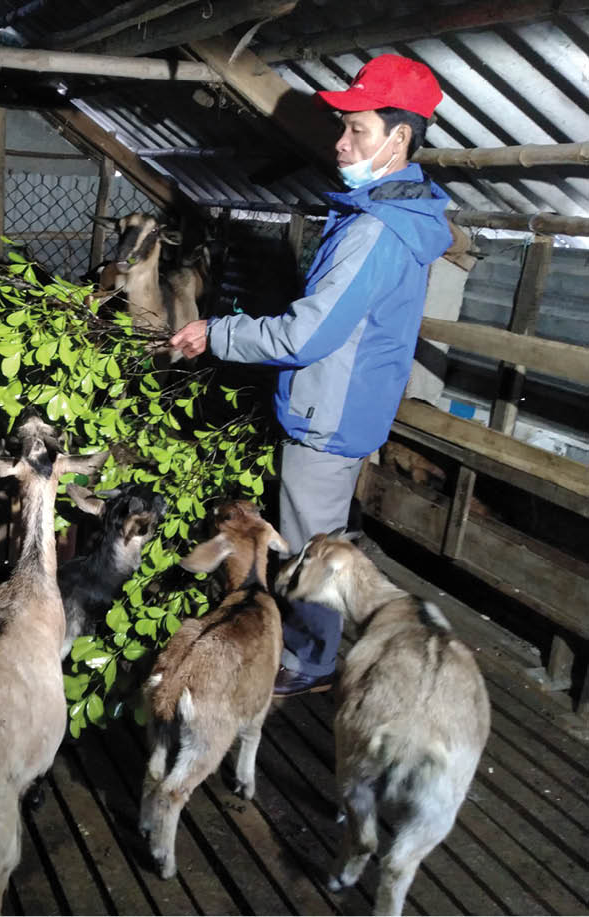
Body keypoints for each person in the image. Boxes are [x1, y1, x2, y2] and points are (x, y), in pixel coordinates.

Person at [169, 54, 454, 696]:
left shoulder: (376, 231)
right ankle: (312, 647)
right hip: (344, 403)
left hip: (330, 414)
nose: (340, 142)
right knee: (318, 535)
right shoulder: (390, 217)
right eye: (343, 128)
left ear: (398, 138)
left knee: (311, 549)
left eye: (357, 129)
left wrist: (217, 333)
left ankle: (310, 661)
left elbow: (305, 334)